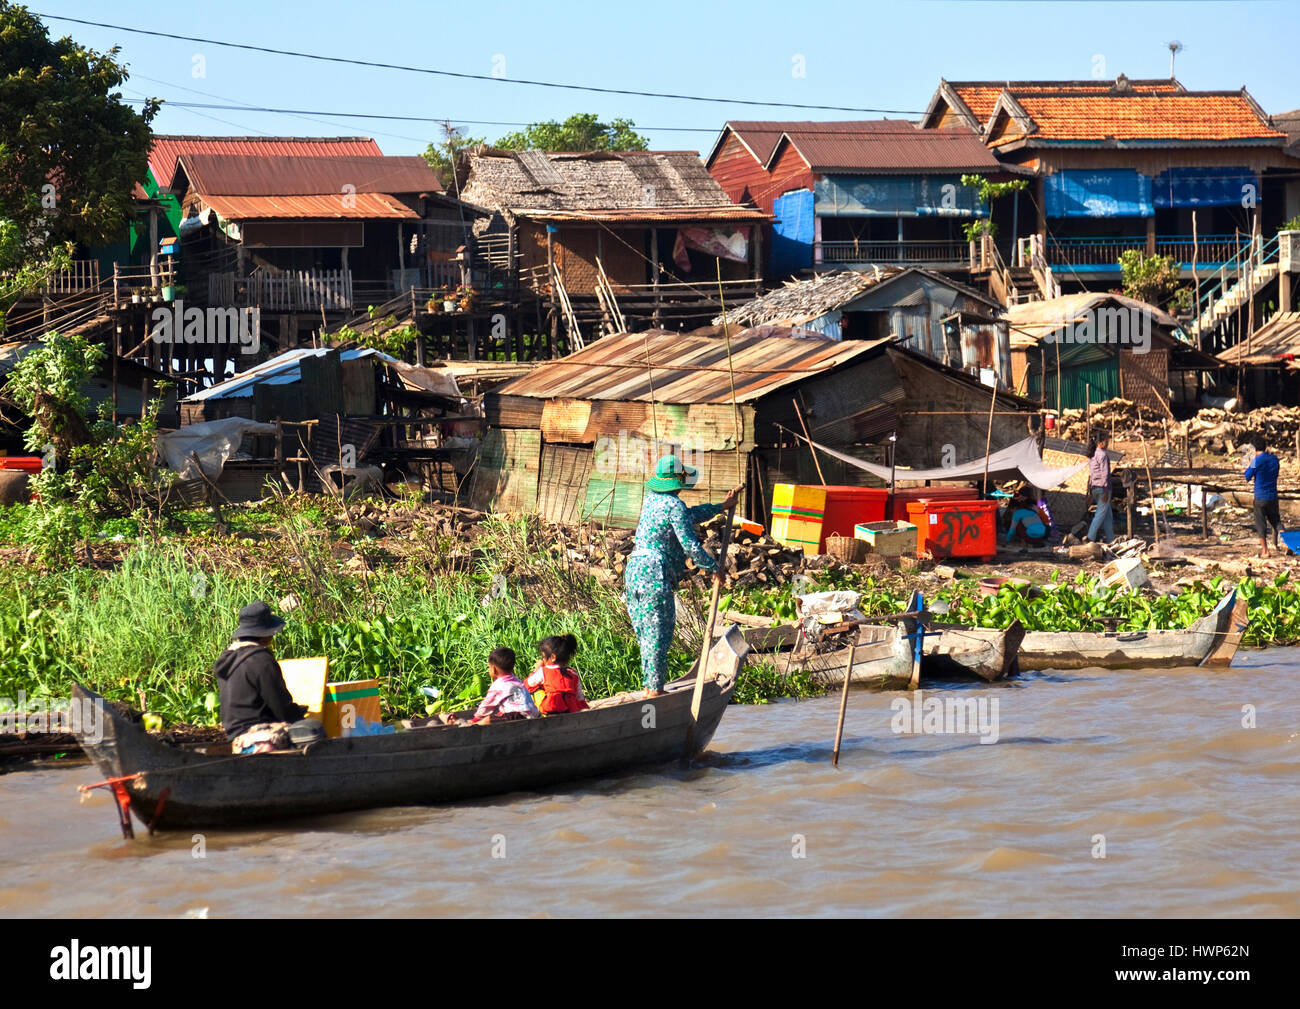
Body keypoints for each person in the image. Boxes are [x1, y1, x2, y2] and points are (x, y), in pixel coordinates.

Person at [624, 455, 741, 699]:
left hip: (634, 570)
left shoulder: (652, 501)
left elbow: (690, 515)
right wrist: (714, 568)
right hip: (653, 573)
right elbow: (690, 547)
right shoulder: (673, 505)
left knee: (646, 634)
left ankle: (650, 688)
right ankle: (654, 693)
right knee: (658, 634)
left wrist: (721, 506)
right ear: (678, 482)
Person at [213, 600, 308, 754]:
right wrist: (298, 716)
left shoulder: (228, 658)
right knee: (313, 731)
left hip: (236, 739)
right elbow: (280, 706)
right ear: (263, 633)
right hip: (260, 737)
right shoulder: (261, 660)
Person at [461, 648, 539, 725]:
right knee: (500, 714)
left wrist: (475, 718)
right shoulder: (517, 681)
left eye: (489, 667)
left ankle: (473, 725)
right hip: (533, 714)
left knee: (488, 719)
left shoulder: (498, 685)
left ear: (493, 669)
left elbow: (487, 705)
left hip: (517, 715)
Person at [526, 634, 589, 715]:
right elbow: (579, 696)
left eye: (543, 657)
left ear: (552, 657)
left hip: (552, 707)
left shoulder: (543, 671)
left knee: (536, 691)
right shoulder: (573, 673)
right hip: (571, 709)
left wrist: (536, 669)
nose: (543, 660)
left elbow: (528, 684)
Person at [1244, 436, 1282, 558]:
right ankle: (1287, 544)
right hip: (1272, 495)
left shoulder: (1256, 460)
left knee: (1261, 524)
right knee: (1276, 521)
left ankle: (1265, 551)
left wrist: (1249, 464)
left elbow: (1247, 476)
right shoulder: (1274, 459)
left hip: (1260, 496)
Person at [1086, 433, 1114, 544]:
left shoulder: (1092, 455)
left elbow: (1092, 475)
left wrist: (1091, 492)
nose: (1107, 443)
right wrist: (1106, 490)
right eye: (1106, 441)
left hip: (1095, 487)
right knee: (1100, 514)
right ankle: (1090, 537)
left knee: (1108, 516)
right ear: (1100, 443)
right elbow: (1105, 474)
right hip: (1103, 489)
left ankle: (1111, 539)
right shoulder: (1102, 455)